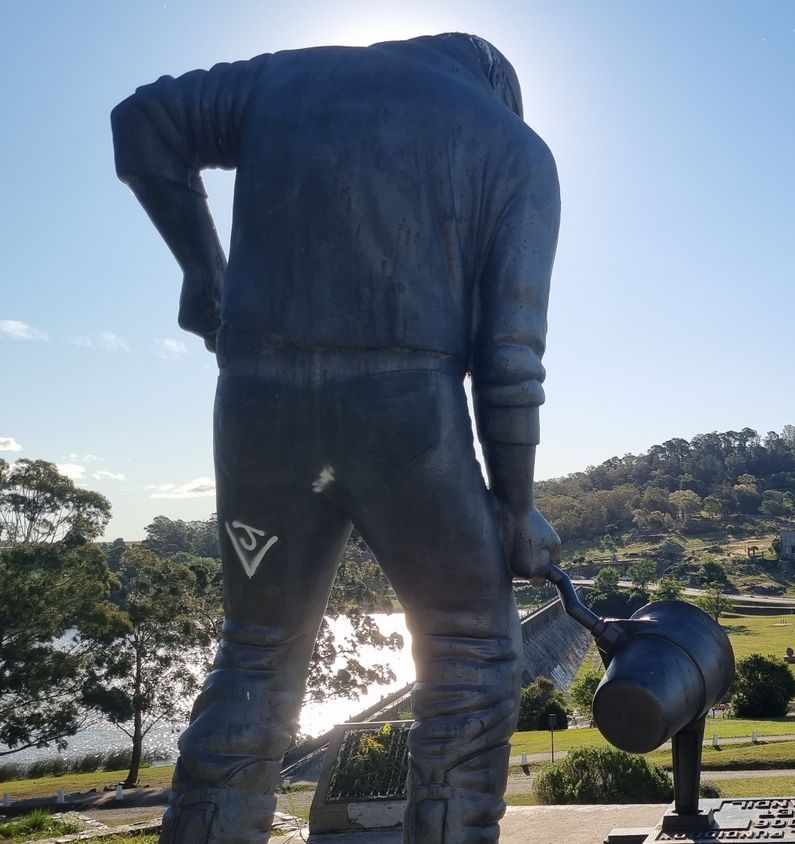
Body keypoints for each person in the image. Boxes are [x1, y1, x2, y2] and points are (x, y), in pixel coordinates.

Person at [112, 33, 560, 844]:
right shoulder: (513, 148)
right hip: (408, 414)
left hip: (256, 403)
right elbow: (509, 359)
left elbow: (141, 122)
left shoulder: (278, 79)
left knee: (254, 651)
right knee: (470, 651)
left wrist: (202, 268)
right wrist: (516, 509)